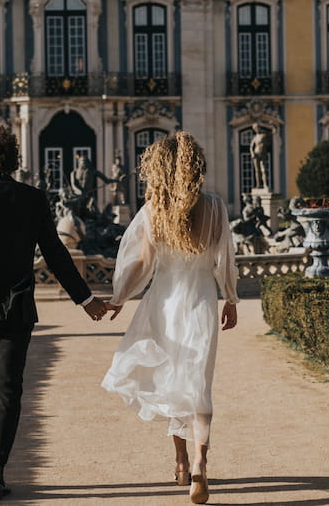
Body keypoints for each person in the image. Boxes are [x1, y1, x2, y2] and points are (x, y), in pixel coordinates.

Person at [0, 121, 108, 500]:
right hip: (18, 305)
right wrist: (86, 300)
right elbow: (57, 255)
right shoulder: (33, 200)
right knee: (10, 389)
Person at [102, 131, 239, 505]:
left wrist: (118, 299)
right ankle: (198, 464)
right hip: (200, 302)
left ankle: (179, 462)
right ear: (197, 166)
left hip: (163, 303)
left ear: (158, 169)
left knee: (169, 382)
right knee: (198, 385)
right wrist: (231, 298)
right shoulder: (215, 207)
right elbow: (225, 257)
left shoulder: (153, 210)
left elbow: (142, 265)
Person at [250, 123, 271, 190]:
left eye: (258, 127)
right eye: (256, 128)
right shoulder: (255, 137)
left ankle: (265, 185)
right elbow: (251, 147)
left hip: (263, 154)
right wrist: (252, 153)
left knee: (264, 170)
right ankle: (258, 185)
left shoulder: (264, 135)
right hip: (256, 154)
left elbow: (274, 132)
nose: (257, 129)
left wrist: (273, 125)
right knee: (257, 170)